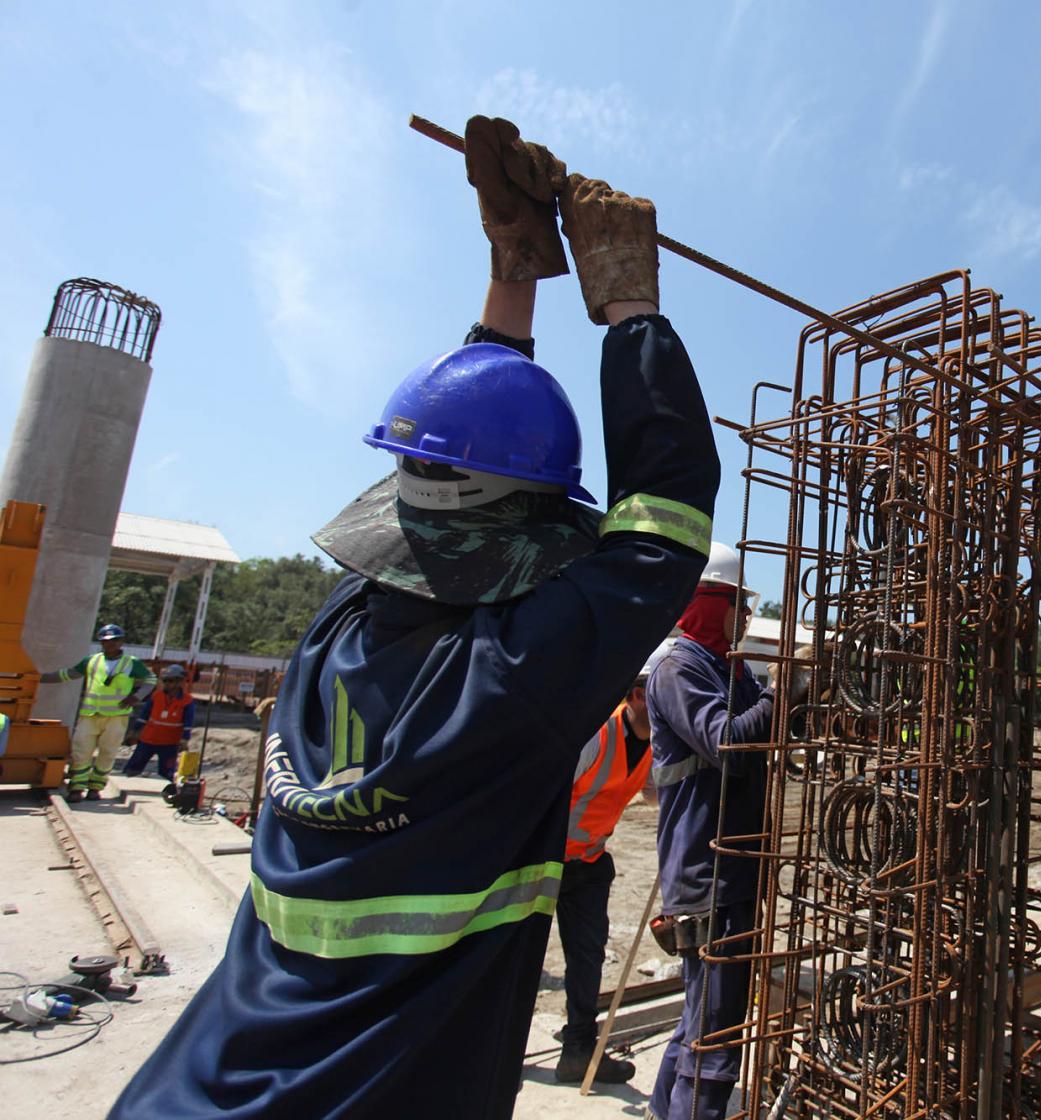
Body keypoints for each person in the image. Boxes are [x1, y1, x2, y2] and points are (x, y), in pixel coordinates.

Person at [111, 115, 719, 1118]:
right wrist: (631, 307)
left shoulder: (332, 631)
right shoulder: (512, 680)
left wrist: (516, 277)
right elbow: (663, 518)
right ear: (528, 533)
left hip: (201, 1080)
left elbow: (456, 464)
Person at [646, 542, 774, 1120]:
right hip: (708, 874)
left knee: (697, 1021)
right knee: (717, 1039)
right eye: (736, 604)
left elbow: (765, 731)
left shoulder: (731, 668)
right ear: (706, 601)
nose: (744, 617)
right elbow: (731, 746)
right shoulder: (678, 667)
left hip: (733, 868)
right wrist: (785, 688)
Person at [552, 655, 660, 1085]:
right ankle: (491, 1046)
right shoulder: (596, 734)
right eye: (659, 697)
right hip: (543, 862)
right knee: (514, 957)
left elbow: (653, 793)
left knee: (586, 957)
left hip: (589, 862)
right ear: (635, 696)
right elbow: (547, 795)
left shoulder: (653, 742)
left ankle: (579, 1049)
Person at [44, 622, 155, 801]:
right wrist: (40, 678)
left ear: (121, 642)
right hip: (90, 715)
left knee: (108, 752)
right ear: (101, 643)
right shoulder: (92, 660)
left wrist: (136, 697)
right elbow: (69, 674)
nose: (110, 644)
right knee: (81, 751)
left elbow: (151, 679)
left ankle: (95, 787)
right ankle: (76, 788)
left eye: (114, 640)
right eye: (106, 641)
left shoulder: (131, 663)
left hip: (116, 717)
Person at [123, 663, 196, 793]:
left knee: (167, 772)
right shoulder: (157, 696)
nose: (167, 684)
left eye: (171, 681)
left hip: (170, 743)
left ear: (180, 682)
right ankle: (125, 784)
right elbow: (144, 715)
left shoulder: (187, 701)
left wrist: (184, 740)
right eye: (165, 681)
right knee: (134, 766)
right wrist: (134, 731)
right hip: (148, 739)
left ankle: (168, 792)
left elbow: (188, 723)